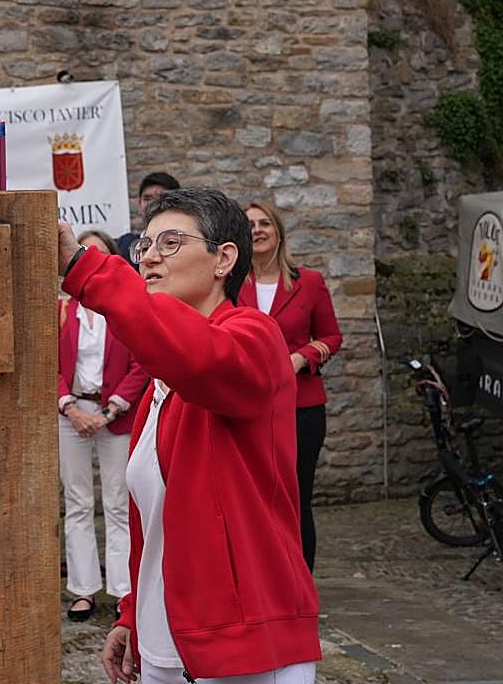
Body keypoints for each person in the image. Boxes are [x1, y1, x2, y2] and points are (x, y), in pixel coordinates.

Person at [57, 188, 320, 684]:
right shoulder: (161, 382)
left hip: (244, 645)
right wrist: (133, 614)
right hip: (163, 644)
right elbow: (155, 524)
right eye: (145, 246)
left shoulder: (255, 337)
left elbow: (198, 355)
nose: (150, 256)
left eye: (171, 242)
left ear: (224, 258)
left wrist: (84, 266)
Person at [239, 201, 343, 572]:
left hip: (302, 407)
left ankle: (300, 584)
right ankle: (263, 581)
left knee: (296, 497)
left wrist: (302, 358)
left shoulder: (308, 282)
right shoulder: (233, 283)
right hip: (247, 406)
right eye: (249, 224)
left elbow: (332, 336)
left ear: (278, 231)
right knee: (254, 499)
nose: (257, 229)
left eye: (265, 222)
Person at [58, 230, 148, 622]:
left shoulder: (126, 310)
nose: (88, 260)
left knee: (118, 502)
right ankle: (82, 590)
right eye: (82, 252)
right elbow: (47, 363)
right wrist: (71, 409)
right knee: (77, 502)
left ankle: (124, 591)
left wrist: (110, 410)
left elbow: (141, 363)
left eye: (97, 254)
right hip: (70, 413)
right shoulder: (60, 310)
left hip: (116, 412)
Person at [115, 172, 180, 268]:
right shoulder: (124, 245)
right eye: (147, 198)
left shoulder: (183, 242)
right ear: (139, 203)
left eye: (160, 198)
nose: (152, 204)